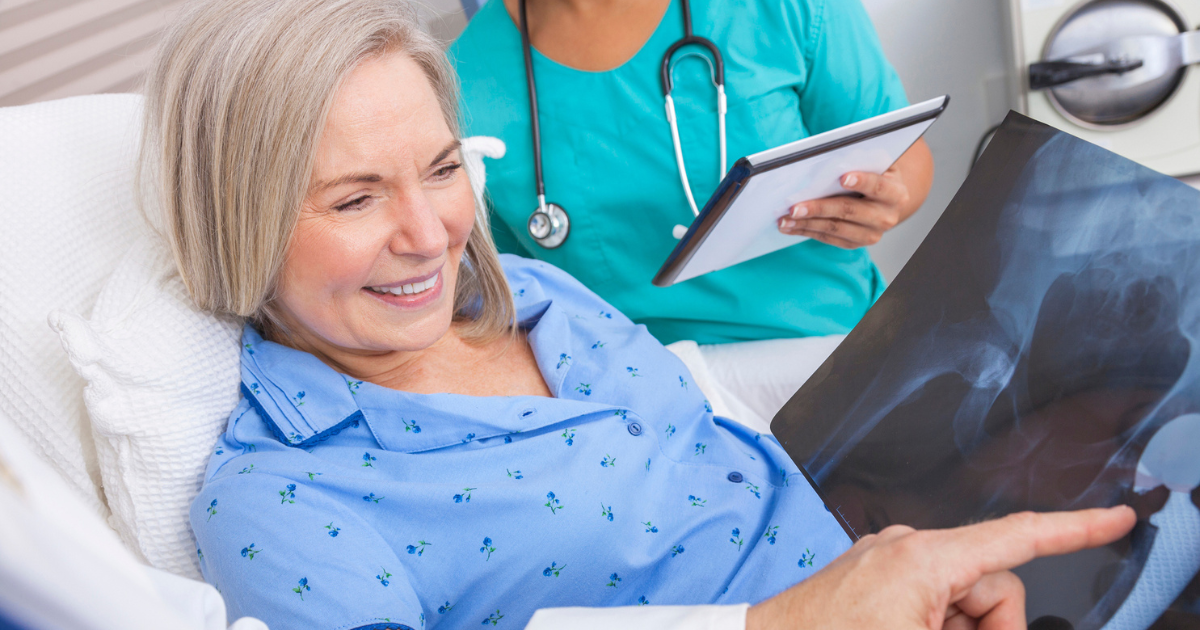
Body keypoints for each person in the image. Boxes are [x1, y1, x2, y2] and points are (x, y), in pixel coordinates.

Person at [141, 1, 1133, 629]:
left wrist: (893, 582)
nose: (430, 233)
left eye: (445, 171)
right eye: (355, 198)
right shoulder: (281, 496)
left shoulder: (542, 301)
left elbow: (729, 485)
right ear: (240, 222)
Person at [449, 0, 936, 430]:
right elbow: (501, 297)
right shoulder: (460, 77)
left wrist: (888, 197)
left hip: (825, 355)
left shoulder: (783, 9)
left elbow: (906, 158)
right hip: (640, 400)